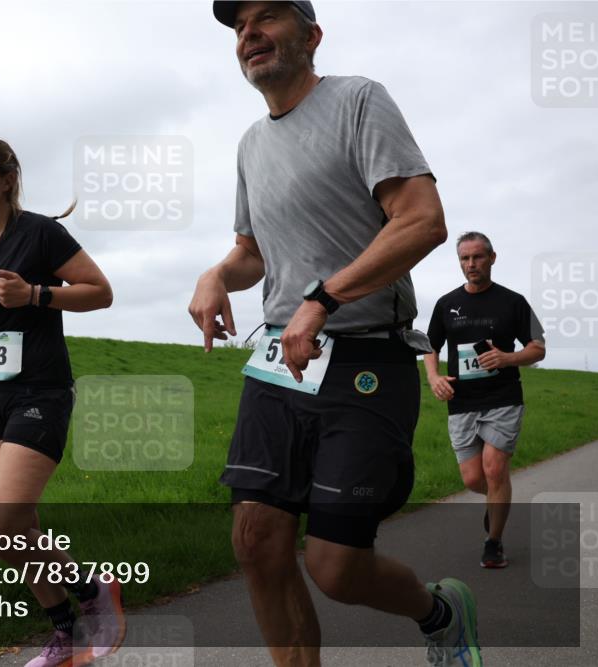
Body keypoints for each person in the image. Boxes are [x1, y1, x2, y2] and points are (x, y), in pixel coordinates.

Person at [189, 3, 480, 665]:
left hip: (366, 357)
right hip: (278, 363)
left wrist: (323, 298)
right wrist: (216, 274)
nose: (249, 33)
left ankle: (440, 612)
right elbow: (252, 252)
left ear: (312, 35)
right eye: (239, 26)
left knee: (336, 566)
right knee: (256, 542)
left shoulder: (358, 100)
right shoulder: (250, 144)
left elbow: (422, 220)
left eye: (267, 16)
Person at [0, 135, 122, 666]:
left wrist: (36, 294)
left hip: (41, 390)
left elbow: (101, 291)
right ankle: (65, 632)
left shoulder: (40, 233)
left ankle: (90, 588)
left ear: (6, 180)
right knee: (12, 534)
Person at [425, 231, 546, 569]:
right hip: (462, 400)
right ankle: (497, 501)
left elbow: (538, 347)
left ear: (492, 258)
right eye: (464, 258)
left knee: (494, 469)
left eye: (478, 257)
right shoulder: (446, 304)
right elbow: (429, 347)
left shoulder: (513, 301)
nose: (471, 264)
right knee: (473, 479)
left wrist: (506, 358)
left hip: (503, 397)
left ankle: (494, 542)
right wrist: (434, 377)